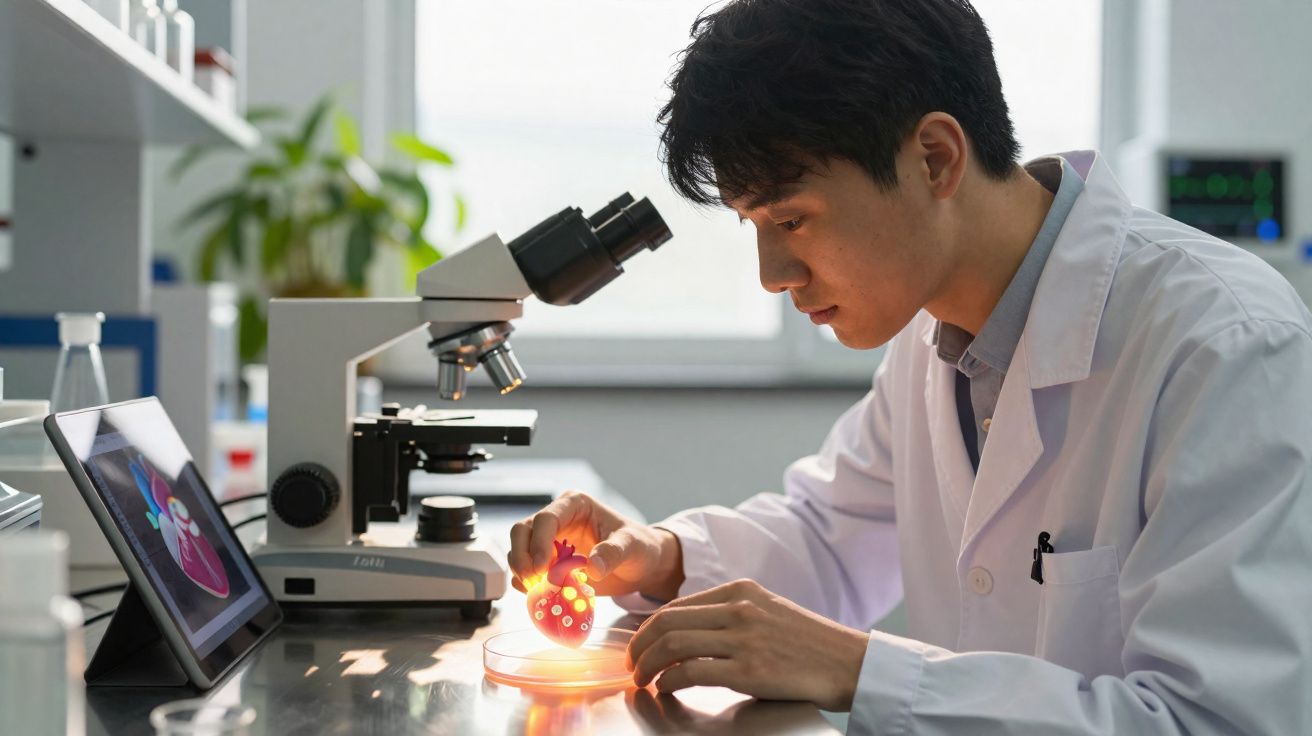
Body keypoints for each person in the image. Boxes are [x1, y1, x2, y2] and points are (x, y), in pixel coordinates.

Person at [507, 0, 1312, 732]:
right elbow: (830, 536)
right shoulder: (932, 335)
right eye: (754, 224)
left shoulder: (1225, 344)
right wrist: (663, 555)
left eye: (792, 218)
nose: (772, 274)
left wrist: (860, 670)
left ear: (934, 159)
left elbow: (1218, 720)